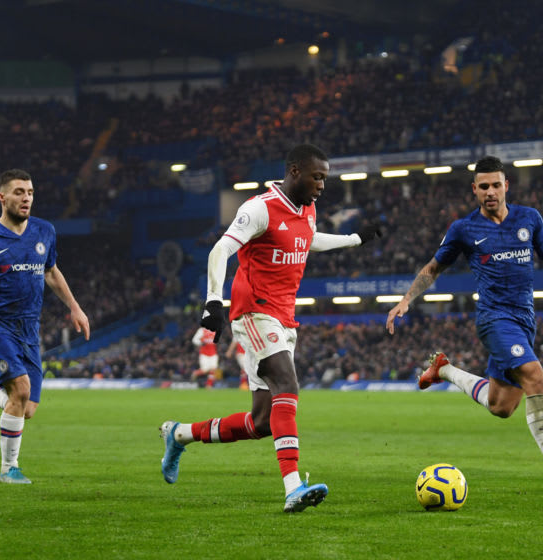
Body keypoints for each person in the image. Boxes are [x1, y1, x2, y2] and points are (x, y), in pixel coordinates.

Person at [158, 144, 383, 512]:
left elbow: (308, 241)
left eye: (325, 178)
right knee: (287, 384)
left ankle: (179, 434)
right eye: (317, 176)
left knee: (262, 421)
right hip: (254, 312)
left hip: (284, 315)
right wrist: (213, 300)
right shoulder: (259, 208)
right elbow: (220, 251)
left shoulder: (307, 209)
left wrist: (354, 239)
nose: (322, 185)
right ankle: (293, 487)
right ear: (294, 171)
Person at [386, 155, 543, 490]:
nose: (491, 192)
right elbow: (433, 269)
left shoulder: (530, 219)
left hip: (526, 320)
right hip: (494, 318)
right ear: (474, 190)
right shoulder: (464, 229)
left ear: (506, 185)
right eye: (484, 187)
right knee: (535, 377)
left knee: (501, 406)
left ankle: (444, 370)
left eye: (496, 185)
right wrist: (407, 299)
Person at [0, 169, 90, 484]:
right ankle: (8, 469)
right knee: (22, 390)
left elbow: (52, 272)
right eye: (18, 192)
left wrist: (75, 307)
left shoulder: (44, 231)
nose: (26, 197)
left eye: (29, 192)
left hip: (29, 330)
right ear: (2, 197)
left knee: (25, 409)